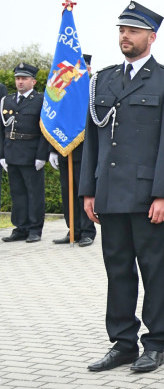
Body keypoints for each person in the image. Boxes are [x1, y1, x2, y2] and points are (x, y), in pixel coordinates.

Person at [81, 1, 164, 374]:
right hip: (110, 192)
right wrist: (88, 190)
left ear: (151, 37)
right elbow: (93, 138)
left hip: (147, 197)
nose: (125, 36)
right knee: (118, 270)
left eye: (133, 30)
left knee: (154, 270)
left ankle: (154, 344)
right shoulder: (104, 80)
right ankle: (123, 342)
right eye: (121, 30)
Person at [49, 54, 96, 247]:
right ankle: (73, 229)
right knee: (67, 191)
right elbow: (54, 119)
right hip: (65, 149)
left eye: (83, 68)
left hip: (85, 150)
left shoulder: (93, 90)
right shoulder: (62, 91)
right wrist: (53, 149)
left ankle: (87, 231)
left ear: (89, 70)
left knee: (83, 191)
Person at [0, 63, 49, 243]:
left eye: (24, 78)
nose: (20, 82)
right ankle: (20, 227)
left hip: (31, 153)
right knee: (17, 193)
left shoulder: (41, 100)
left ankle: (35, 229)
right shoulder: (7, 100)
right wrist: (2, 154)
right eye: (18, 78)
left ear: (33, 81)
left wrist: (42, 155)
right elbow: (2, 130)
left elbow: (45, 130)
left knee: (34, 193)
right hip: (12, 152)